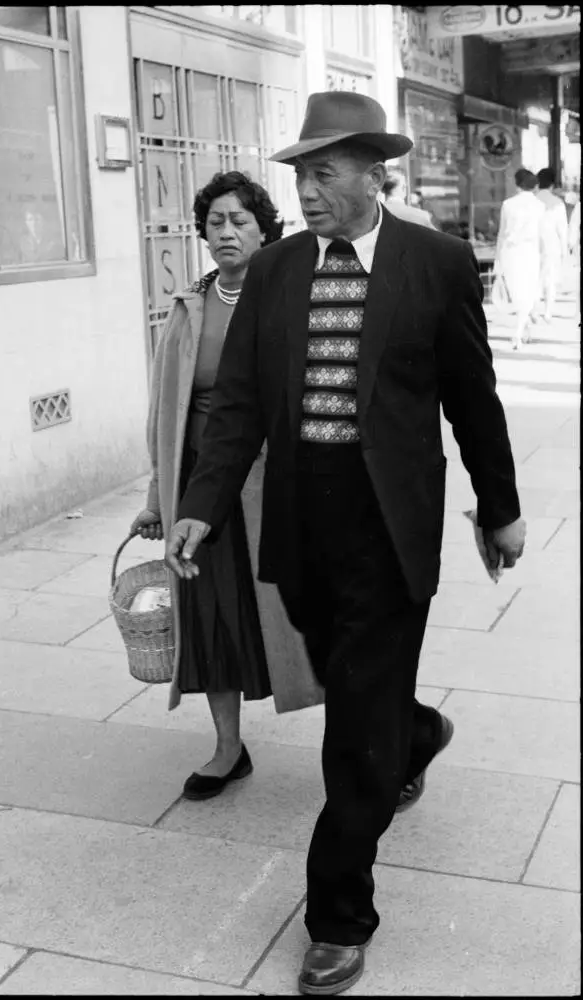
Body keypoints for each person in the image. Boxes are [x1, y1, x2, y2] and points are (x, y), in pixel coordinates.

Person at [165, 92, 525, 995]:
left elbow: (471, 399)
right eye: (300, 175)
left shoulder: (436, 265)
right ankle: (419, 731)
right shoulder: (281, 270)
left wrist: (499, 505)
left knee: (352, 731)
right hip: (299, 519)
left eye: (323, 173)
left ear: (374, 174)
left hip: (390, 523)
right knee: (348, 683)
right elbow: (241, 402)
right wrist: (201, 503)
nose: (310, 191)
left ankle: (337, 916)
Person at [130, 171, 323, 801]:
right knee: (210, 618)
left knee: (313, 619)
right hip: (203, 491)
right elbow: (164, 411)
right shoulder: (188, 309)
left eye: (240, 220)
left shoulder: (297, 297)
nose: (227, 232)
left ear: (265, 229)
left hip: (278, 487)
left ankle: (383, 738)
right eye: (215, 222)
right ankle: (227, 748)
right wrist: (160, 501)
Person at [495, 167, 545, 351]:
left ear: (516, 184)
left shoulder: (508, 204)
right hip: (530, 252)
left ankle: (521, 331)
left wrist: (497, 259)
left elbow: (501, 234)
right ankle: (521, 330)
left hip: (510, 252)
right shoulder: (540, 206)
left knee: (517, 292)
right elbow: (541, 235)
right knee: (527, 290)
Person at [535, 167, 569, 323]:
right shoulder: (557, 203)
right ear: (553, 184)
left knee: (534, 278)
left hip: (533, 245)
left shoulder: (532, 200)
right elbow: (562, 231)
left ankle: (533, 310)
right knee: (550, 280)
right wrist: (565, 252)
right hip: (551, 246)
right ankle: (548, 312)